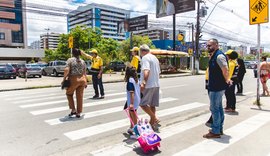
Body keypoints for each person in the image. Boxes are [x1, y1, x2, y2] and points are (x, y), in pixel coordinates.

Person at [203, 38, 230, 139]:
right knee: (218, 108)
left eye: (210, 45)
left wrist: (227, 79)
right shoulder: (214, 55)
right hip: (215, 86)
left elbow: (225, 69)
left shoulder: (219, 56)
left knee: (214, 109)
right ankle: (219, 128)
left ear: (217, 45)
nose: (208, 47)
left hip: (217, 87)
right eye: (207, 45)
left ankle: (215, 131)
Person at [139, 44, 161, 130]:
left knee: (143, 104)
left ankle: (154, 118)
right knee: (152, 105)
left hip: (149, 85)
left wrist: (144, 82)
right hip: (156, 84)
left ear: (142, 51)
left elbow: (146, 70)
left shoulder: (145, 58)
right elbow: (158, 72)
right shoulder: (155, 58)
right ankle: (152, 124)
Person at [63, 48, 87, 118]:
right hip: (82, 79)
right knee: (80, 96)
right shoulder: (83, 61)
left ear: (73, 53)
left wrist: (64, 79)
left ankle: (73, 110)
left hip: (73, 79)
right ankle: (78, 113)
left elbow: (66, 70)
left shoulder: (70, 60)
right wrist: (86, 81)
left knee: (69, 93)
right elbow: (84, 72)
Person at [124, 66, 140, 138]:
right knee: (132, 114)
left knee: (134, 116)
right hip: (136, 99)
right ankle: (132, 128)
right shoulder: (136, 80)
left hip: (133, 100)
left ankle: (137, 133)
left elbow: (132, 92)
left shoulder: (130, 80)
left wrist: (131, 103)